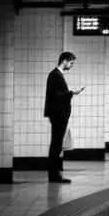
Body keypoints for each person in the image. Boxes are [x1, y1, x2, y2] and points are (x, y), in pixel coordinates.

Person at [44, 51, 85, 183]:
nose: (71, 65)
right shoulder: (55, 75)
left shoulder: (55, 75)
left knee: (56, 144)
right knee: (56, 145)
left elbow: (57, 95)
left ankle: (54, 175)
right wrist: (73, 92)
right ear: (65, 61)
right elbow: (58, 96)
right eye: (71, 63)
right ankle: (54, 176)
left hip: (57, 115)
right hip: (58, 115)